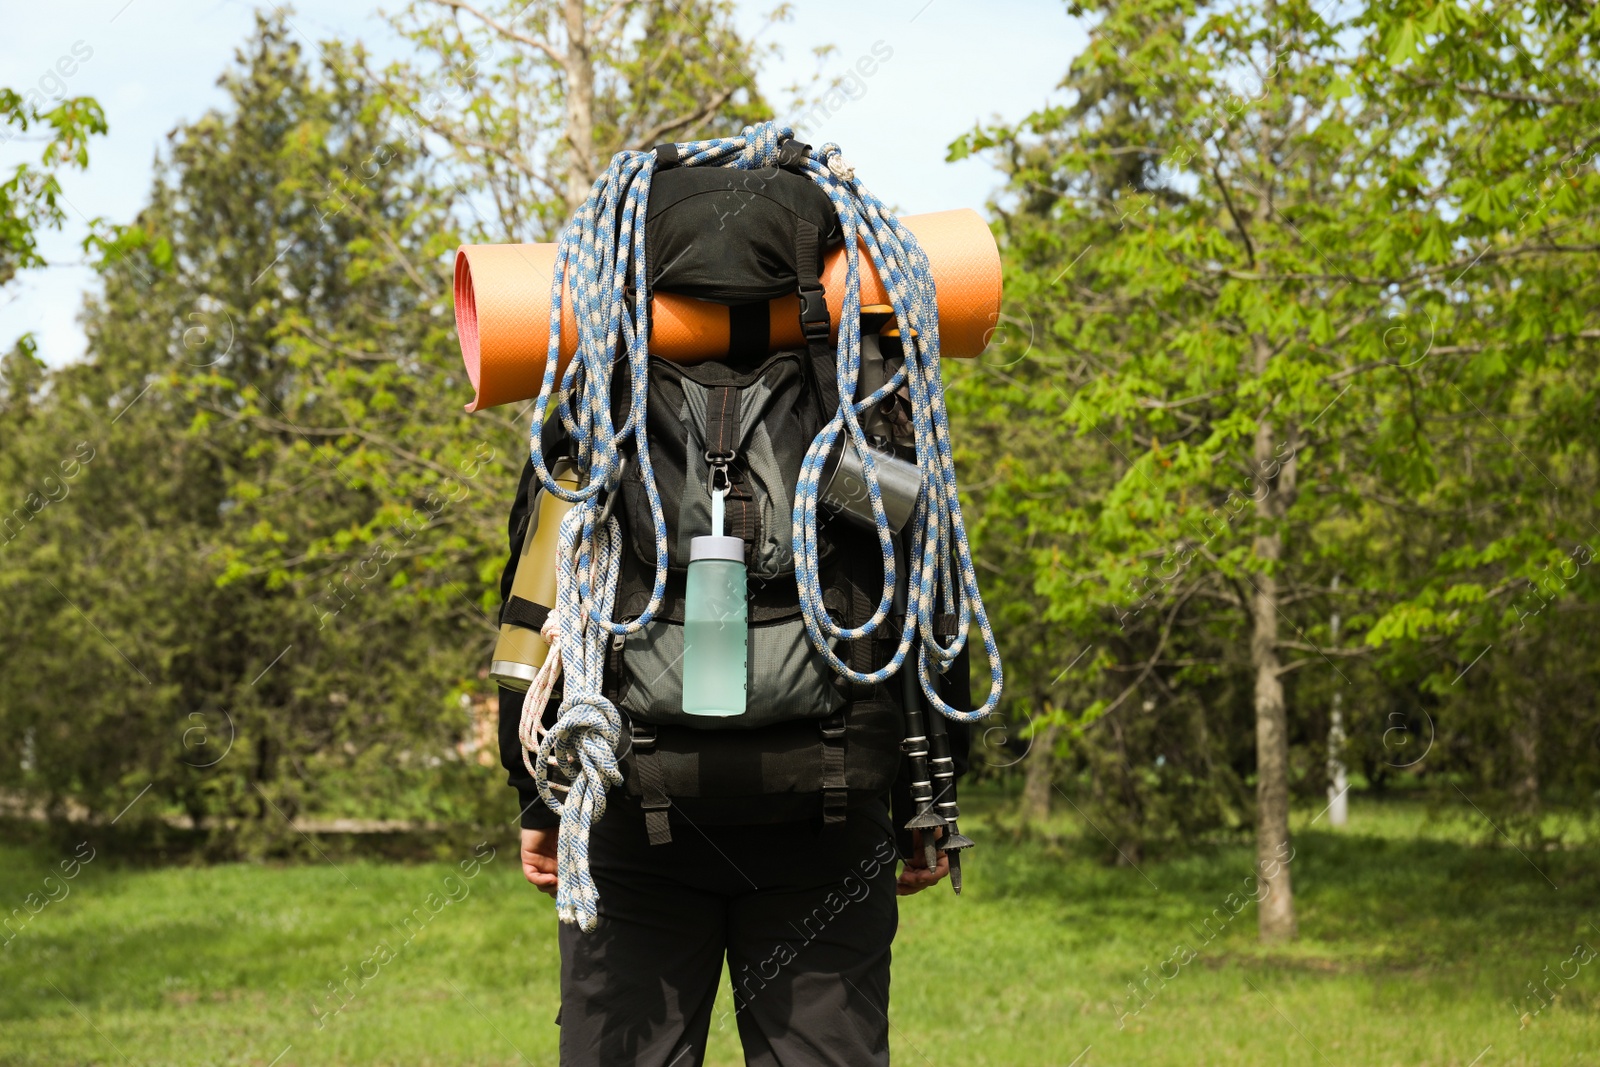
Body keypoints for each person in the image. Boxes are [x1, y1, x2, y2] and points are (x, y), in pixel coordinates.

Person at [496, 447, 972, 1065]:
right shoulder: (859, 398)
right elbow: (934, 599)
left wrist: (538, 802)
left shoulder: (599, 408)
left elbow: (535, 609)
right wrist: (927, 800)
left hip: (631, 812)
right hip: (826, 818)